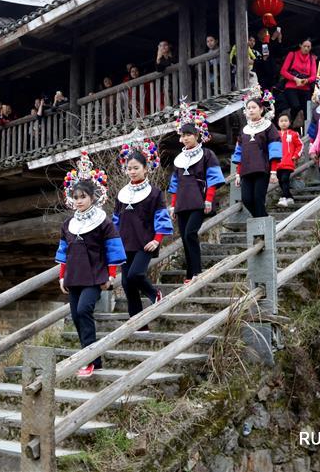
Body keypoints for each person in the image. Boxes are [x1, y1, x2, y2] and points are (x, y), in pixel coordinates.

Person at [56, 151, 126, 378]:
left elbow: (113, 248)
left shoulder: (102, 221)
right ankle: (94, 359)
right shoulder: (68, 224)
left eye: (83, 197)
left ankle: (88, 360)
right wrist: (62, 276)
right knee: (76, 315)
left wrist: (111, 274)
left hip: (95, 275)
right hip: (73, 276)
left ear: (92, 197)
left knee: (84, 310)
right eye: (75, 197)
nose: (78, 201)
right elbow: (63, 252)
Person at [113, 134, 173, 323]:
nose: (132, 171)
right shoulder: (121, 194)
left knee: (136, 274)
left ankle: (155, 294)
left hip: (146, 243)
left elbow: (161, 218)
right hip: (124, 244)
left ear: (146, 169)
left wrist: (157, 240)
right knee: (127, 283)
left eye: (136, 168)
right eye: (129, 168)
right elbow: (115, 221)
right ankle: (137, 324)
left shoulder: (154, 193)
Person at [168, 102, 225, 282]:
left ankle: (197, 272)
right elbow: (175, 184)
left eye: (189, 135)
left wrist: (209, 199)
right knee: (184, 238)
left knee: (190, 233)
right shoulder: (179, 159)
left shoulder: (207, 154)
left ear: (196, 135)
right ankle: (190, 273)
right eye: (183, 135)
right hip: (182, 203)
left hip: (199, 200)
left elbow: (213, 178)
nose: (185, 138)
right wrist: (172, 206)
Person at [232, 86, 282, 218]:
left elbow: (275, 149)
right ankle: (264, 220)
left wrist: (273, 171)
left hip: (262, 169)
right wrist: (237, 173)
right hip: (246, 170)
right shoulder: (244, 130)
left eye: (254, 107)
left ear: (261, 109)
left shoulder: (269, 127)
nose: (251, 110)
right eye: (248, 108)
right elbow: (239, 153)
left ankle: (261, 231)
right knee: (247, 199)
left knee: (258, 199)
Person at [279, 38, 318, 122]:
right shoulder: (292, 54)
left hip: (305, 87)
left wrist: (306, 80)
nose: (306, 48)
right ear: (300, 45)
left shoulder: (312, 58)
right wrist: (295, 79)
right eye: (304, 46)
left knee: (307, 111)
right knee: (295, 106)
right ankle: (289, 123)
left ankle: (306, 131)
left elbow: (314, 76)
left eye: (308, 47)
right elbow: (283, 71)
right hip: (291, 86)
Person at [275, 112, 303, 207]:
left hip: (288, 162)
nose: (283, 123)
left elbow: (300, 145)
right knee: (280, 180)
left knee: (284, 179)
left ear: (289, 122)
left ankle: (284, 198)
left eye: (286, 121)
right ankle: (290, 197)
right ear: (278, 123)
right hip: (277, 163)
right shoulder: (275, 135)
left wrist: (295, 156)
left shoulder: (293, 134)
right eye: (281, 121)